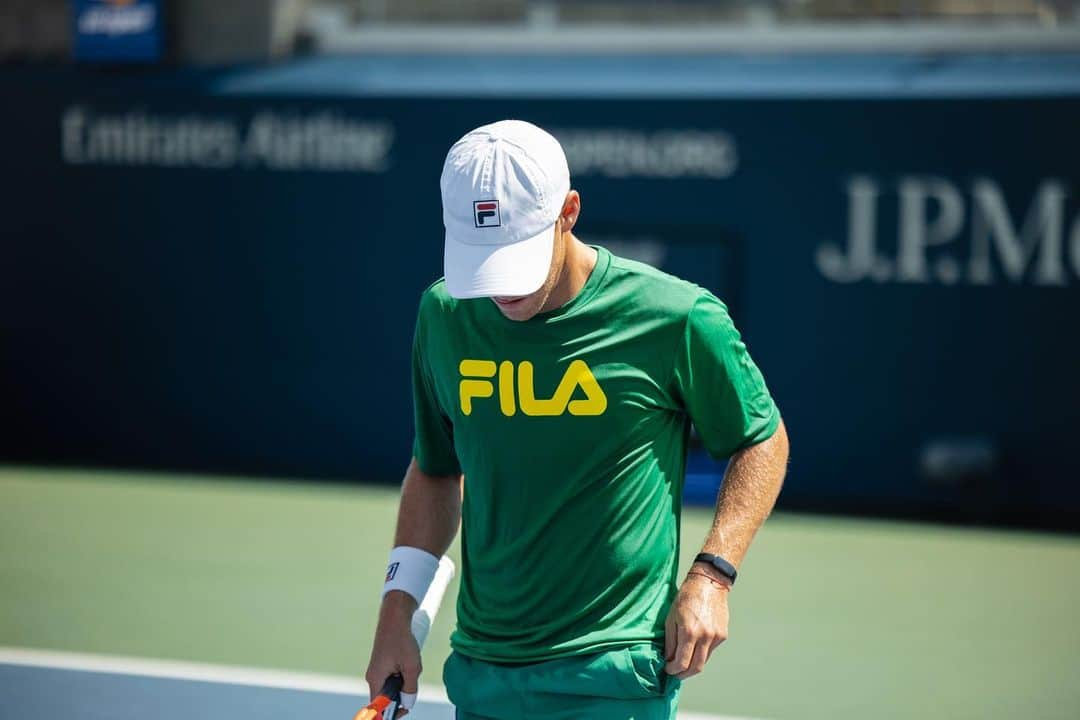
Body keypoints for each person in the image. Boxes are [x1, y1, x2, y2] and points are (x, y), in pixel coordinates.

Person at [365, 120, 789, 720]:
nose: (499, 292)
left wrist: (713, 575)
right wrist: (394, 620)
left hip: (613, 676)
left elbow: (762, 439)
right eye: (480, 261)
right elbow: (436, 470)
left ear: (568, 212)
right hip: (484, 677)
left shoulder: (678, 317)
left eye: (514, 259)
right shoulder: (444, 315)